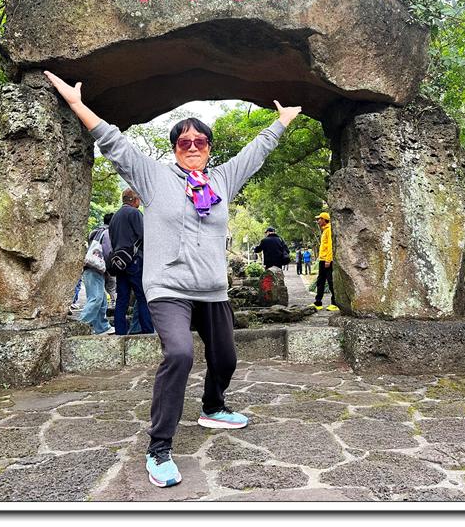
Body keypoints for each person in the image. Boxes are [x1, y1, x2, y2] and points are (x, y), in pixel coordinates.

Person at [44, 69, 301, 489]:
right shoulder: (154, 178)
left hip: (212, 290)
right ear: (175, 148)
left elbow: (255, 153)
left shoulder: (222, 180)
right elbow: (114, 142)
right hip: (168, 288)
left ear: (209, 148)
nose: (193, 146)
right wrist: (76, 104)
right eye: (184, 142)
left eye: (200, 141)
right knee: (179, 354)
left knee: (226, 359)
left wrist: (281, 122)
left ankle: (213, 408)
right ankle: (159, 448)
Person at [109, 188, 153, 335]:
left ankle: (120, 333)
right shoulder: (134, 213)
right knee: (142, 296)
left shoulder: (115, 216)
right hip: (134, 261)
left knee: (122, 299)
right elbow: (144, 235)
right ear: (134, 200)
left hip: (120, 262)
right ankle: (147, 331)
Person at [80, 219, 116, 335]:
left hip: (92, 269)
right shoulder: (107, 233)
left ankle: (102, 327)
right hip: (94, 269)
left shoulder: (96, 232)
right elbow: (108, 252)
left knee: (102, 300)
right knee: (96, 299)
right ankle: (80, 324)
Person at [312, 212, 338, 311]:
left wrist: (328, 260)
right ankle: (318, 302)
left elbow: (330, 246)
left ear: (324, 219)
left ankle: (335, 303)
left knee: (331, 282)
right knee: (320, 281)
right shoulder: (325, 230)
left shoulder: (329, 230)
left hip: (327, 261)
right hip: (322, 260)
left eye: (319, 219)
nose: (318, 221)